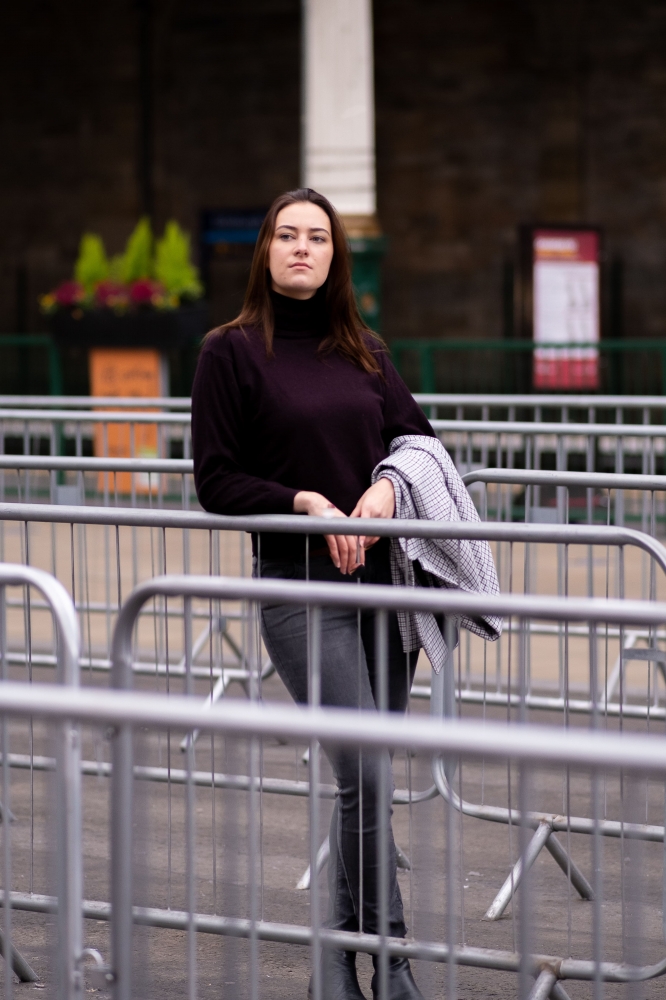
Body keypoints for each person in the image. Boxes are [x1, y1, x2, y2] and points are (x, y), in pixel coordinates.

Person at [192, 188, 434, 1000]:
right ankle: (392, 961)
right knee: (364, 769)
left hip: (385, 592)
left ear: (336, 256)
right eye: (288, 235)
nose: (302, 247)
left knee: (364, 779)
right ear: (265, 250)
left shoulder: (365, 350)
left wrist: (388, 487)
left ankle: (334, 963)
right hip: (300, 587)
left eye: (318, 237)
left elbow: (417, 440)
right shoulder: (228, 352)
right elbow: (216, 480)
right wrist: (302, 502)